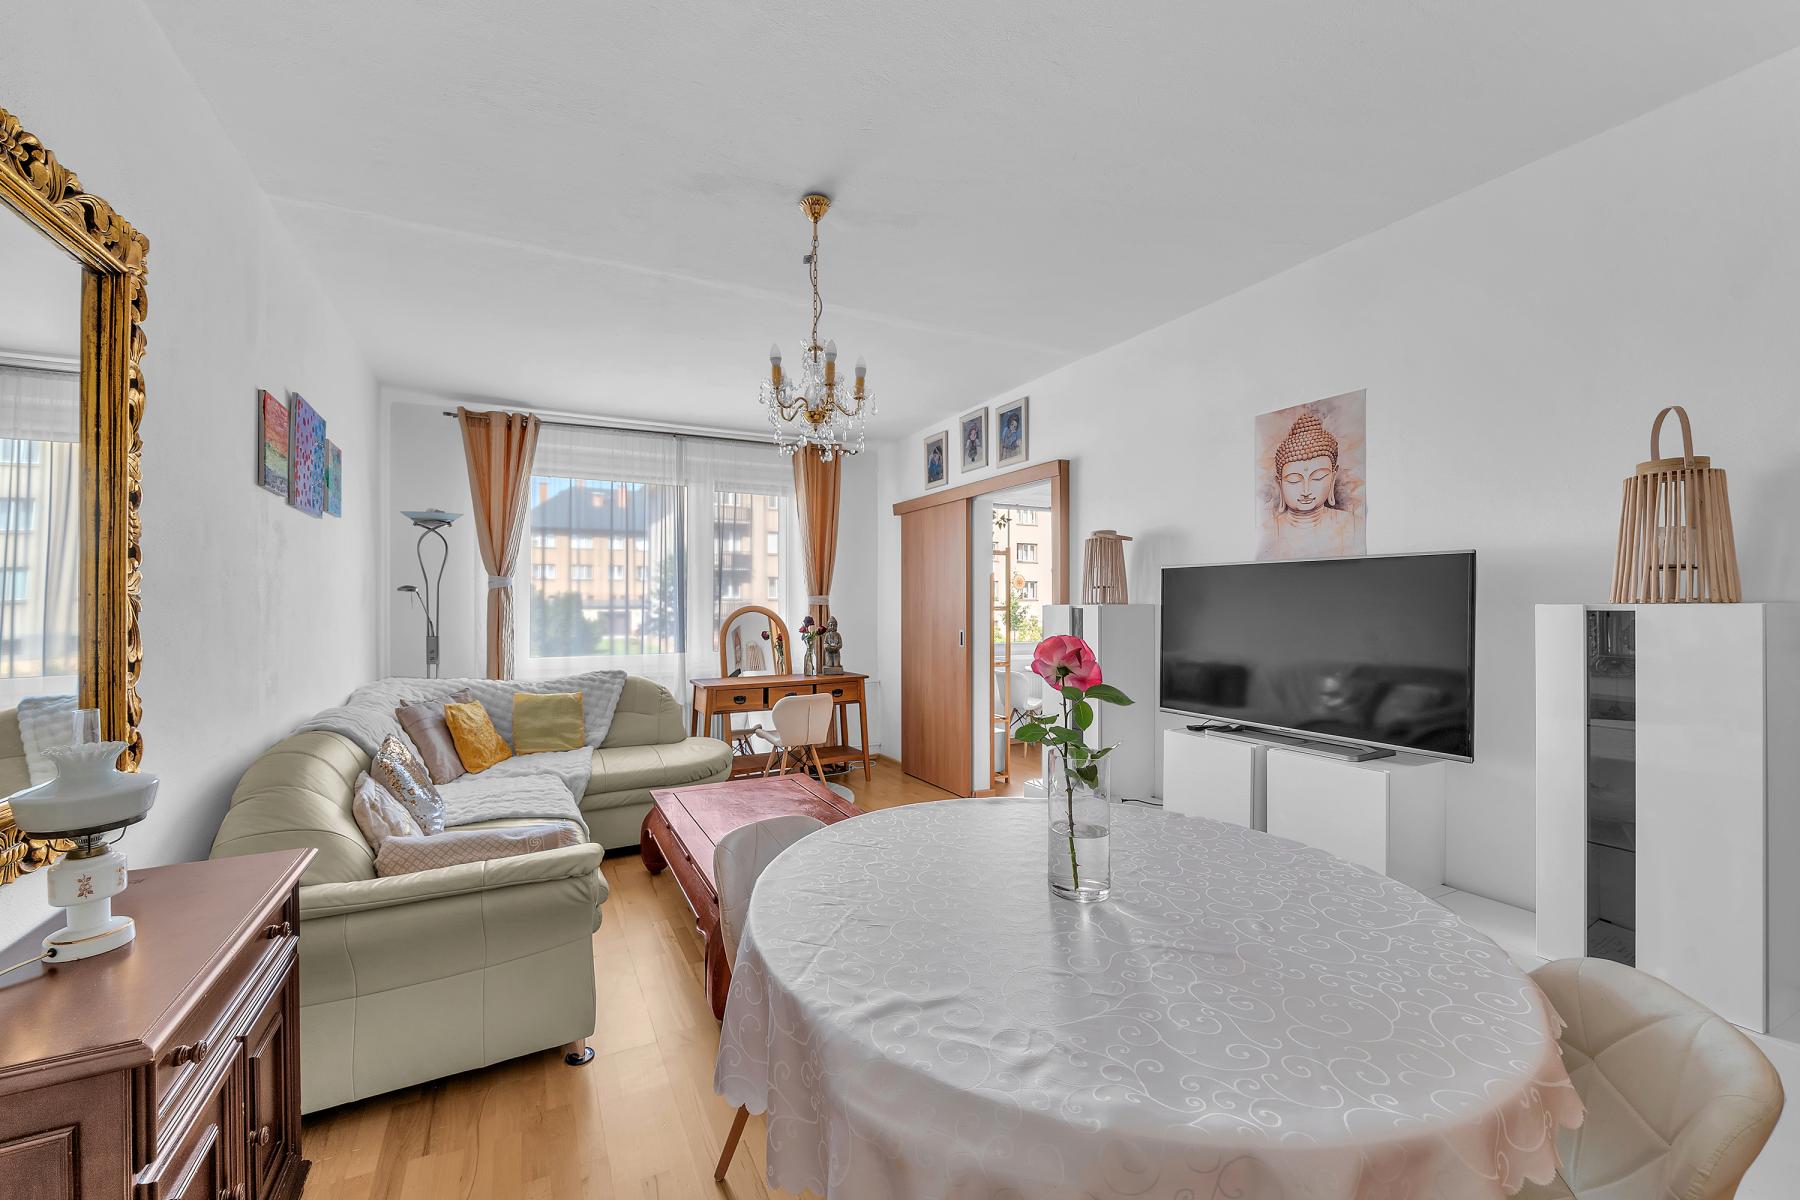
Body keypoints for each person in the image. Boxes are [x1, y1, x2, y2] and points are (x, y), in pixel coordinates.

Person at [1259, 409, 1363, 558]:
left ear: (1333, 477)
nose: (1306, 490)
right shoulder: (1268, 531)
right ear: (1280, 484)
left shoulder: (1353, 525)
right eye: (1294, 480)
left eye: (1318, 478)